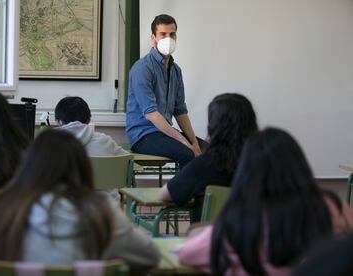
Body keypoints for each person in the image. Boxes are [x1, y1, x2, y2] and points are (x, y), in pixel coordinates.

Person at [0, 130, 160, 268]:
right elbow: (150, 256)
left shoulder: (2, 209)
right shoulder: (104, 213)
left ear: (29, 166)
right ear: (83, 168)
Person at [178, 128, 353, 274]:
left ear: (246, 170)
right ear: (299, 164)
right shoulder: (332, 206)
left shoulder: (236, 219)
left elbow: (187, 254)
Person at [159, 93, 258, 222]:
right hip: (252, 239)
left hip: (209, 239)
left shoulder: (204, 165)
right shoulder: (263, 164)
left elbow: (164, 195)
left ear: (214, 126)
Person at [126, 14, 204, 168]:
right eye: (163, 34)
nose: (168, 39)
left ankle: (204, 192)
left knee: (209, 151)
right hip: (143, 135)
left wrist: (194, 141)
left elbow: (180, 111)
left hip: (164, 133)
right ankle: (182, 192)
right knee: (187, 153)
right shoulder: (142, 68)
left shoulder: (176, 70)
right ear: (153, 37)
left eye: (172, 34)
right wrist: (184, 142)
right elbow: (151, 113)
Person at [55, 96, 128, 156]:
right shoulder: (105, 141)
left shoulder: (48, 145)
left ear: (58, 122)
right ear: (89, 120)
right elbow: (128, 160)